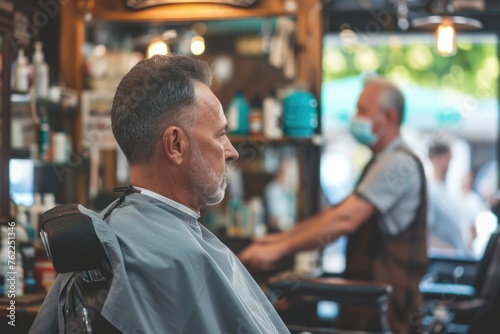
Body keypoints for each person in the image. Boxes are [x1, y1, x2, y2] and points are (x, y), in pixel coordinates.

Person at [30, 54, 289, 333]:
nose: (232, 152)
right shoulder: (179, 257)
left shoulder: (111, 233)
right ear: (176, 145)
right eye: (220, 135)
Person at [239, 77, 428, 333]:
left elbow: (345, 220)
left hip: (389, 310)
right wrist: (277, 241)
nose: (355, 117)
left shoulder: (397, 164)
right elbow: (337, 213)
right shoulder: (381, 160)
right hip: (370, 301)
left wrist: (279, 250)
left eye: (363, 110)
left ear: (389, 117)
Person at [426, 141, 467, 252]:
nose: (448, 164)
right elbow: (426, 236)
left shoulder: (451, 193)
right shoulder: (429, 192)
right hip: (443, 263)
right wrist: (451, 251)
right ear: (435, 158)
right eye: (447, 159)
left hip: (458, 261)